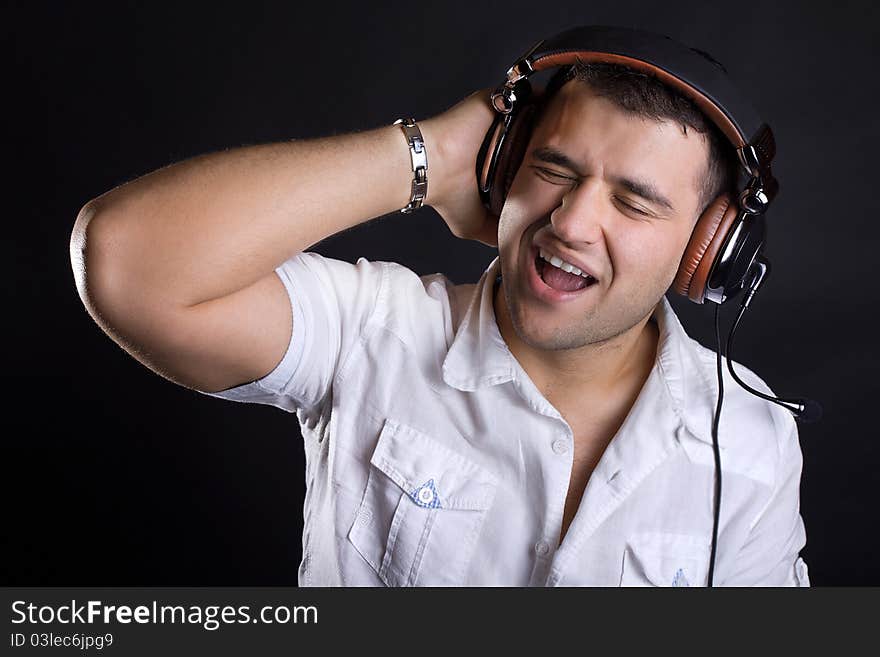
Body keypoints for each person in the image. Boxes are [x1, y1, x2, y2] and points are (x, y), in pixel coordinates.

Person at [70, 50, 810, 586]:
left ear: (706, 254)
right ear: (502, 169)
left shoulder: (751, 441)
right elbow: (125, 262)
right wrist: (428, 155)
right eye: (553, 168)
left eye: (632, 200)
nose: (572, 221)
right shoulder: (373, 331)